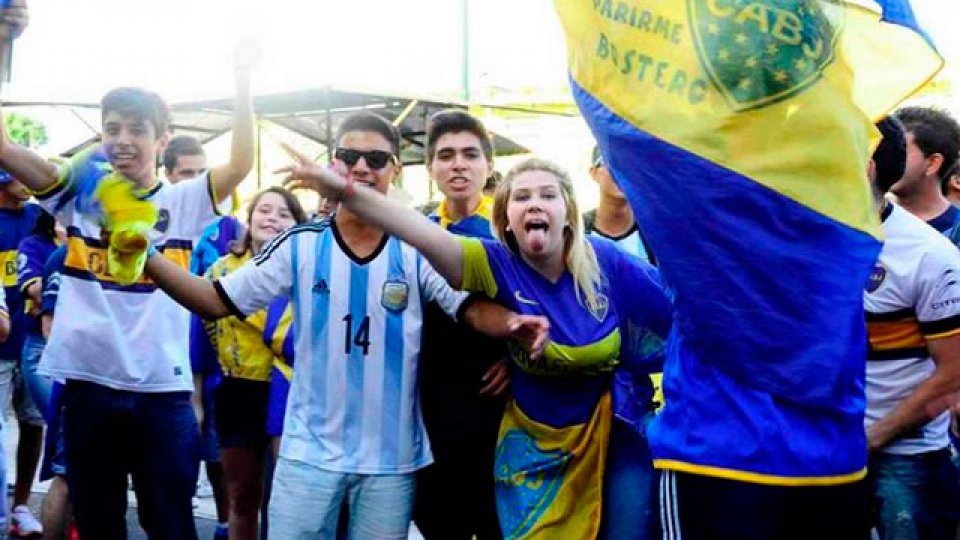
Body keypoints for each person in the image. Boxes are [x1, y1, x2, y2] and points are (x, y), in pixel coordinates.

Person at [141, 111, 549, 540]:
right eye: (349, 155)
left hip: (390, 465)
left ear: (395, 169)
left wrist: (511, 324)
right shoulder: (299, 245)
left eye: (375, 158)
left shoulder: (417, 248)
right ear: (333, 164)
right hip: (308, 460)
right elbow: (213, 300)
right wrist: (143, 256)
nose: (361, 167)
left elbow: (469, 310)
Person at [279, 150, 672, 539]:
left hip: (613, 434)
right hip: (533, 451)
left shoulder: (609, 264)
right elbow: (409, 226)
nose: (535, 204)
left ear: (568, 212)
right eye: (522, 197)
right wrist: (336, 186)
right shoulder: (493, 262)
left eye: (548, 195)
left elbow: (684, 316)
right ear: (505, 219)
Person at [0, 6, 256, 534]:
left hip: (164, 394)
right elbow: (4, 148)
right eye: (111, 128)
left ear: (162, 141)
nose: (122, 139)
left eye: (137, 129)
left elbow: (241, 164)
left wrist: (241, 77)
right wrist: (4, 43)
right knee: (98, 523)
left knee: (170, 523)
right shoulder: (79, 192)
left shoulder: (185, 201)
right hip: (90, 386)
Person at [413, 110, 507, 540]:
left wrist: (519, 361)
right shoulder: (417, 232)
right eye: (446, 155)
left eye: (470, 154)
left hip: (501, 411)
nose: (458, 164)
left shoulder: (512, 231)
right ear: (431, 167)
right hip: (431, 410)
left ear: (488, 165)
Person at [865, 118, 960, 538]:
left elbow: (953, 374)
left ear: (866, 167)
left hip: (905, 461)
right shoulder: (805, 241)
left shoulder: (927, 254)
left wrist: (873, 438)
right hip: (819, 451)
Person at [200, 187, 306, 540]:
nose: (272, 218)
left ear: (297, 224)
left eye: (283, 213)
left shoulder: (305, 271)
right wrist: (197, 395)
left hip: (290, 389)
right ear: (250, 219)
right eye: (264, 210)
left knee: (286, 500)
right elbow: (200, 333)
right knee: (242, 496)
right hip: (237, 389)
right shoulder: (221, 268)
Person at [583, 145, 662, 539]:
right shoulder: (572, 233)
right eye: (608, 162)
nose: (620, 170)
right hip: (574, 415)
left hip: (639, 413)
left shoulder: (659, 239)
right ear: (592, 173)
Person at [0, 167, 44, 538]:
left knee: (33, 425)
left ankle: (22, 507)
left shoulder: (37, 216)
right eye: (17, 173)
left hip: (33, 342)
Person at [13, 209, 61, 537]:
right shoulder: (35, 245)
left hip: (87, 356)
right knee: (65, 429)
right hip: (40, 349)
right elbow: (35, 289)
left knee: (57, 435)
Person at [890, 107, 960, 242]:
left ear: (933, 163)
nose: (887, 159)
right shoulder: (868, 222)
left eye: (900, 150)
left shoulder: (956, 233)